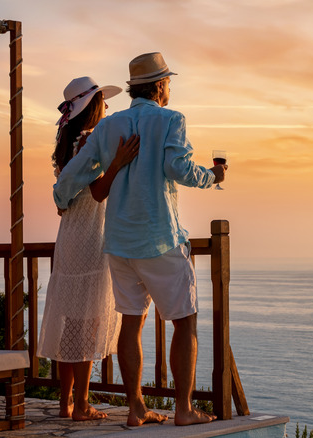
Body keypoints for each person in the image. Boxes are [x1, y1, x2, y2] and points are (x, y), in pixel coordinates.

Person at [52, 52, 227, 426]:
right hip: (159, 237)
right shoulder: (170, 120)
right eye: (169, 83)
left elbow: (72, 175)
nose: (170, 90)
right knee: (185, 321)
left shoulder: (108, 126)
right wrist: (214, 176)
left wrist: (61, 199)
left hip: (118, 242)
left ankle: (135, 408)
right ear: (161, 86)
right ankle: (183, 410)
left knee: (131, 323)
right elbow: (177, 168)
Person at [37, 76, 140, 421]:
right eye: (103, 102)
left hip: (69, 234)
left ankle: (66, 402)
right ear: (93, 107)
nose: (107, 108)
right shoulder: (89, 143)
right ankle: (81, 404)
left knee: (70, 319)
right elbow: (98, 192)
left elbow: (65, 196)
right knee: (88, 321)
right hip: (91, 235)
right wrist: (118, 163)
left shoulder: (68, 142)